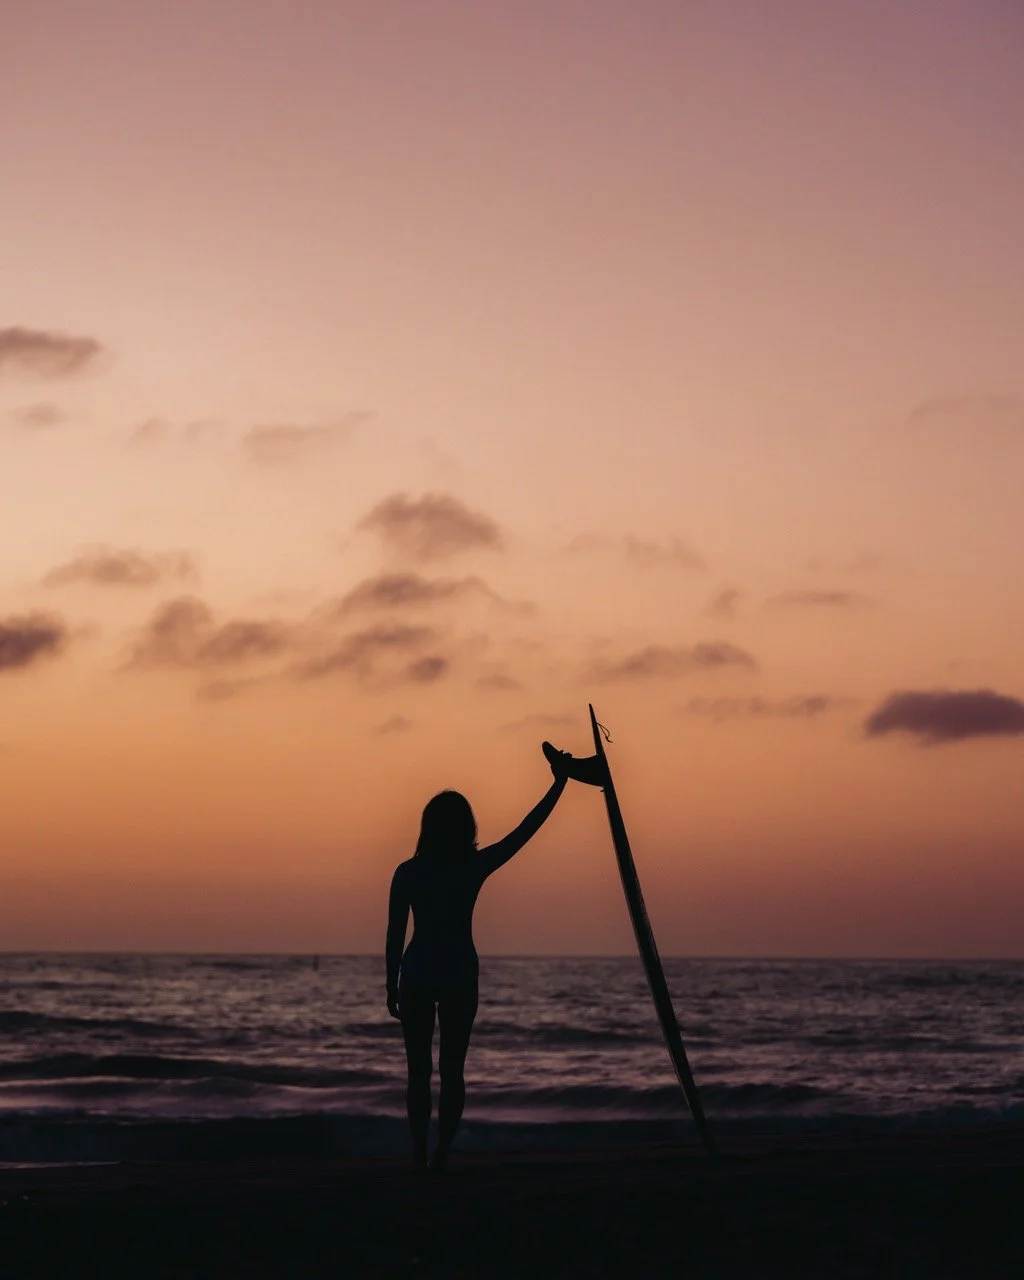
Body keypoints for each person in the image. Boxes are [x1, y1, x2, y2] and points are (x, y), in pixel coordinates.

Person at [385, 743, 577, 1171]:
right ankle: (442, 1154)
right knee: (452, 1070)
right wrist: (559, 784)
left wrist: (389, 982)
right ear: (465, 826)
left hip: (416, 972)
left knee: (418, 1071)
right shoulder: (473, 866)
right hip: (458, 973)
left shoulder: (408, 872)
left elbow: (396, 931)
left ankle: (418, 1154)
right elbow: (526, 831)